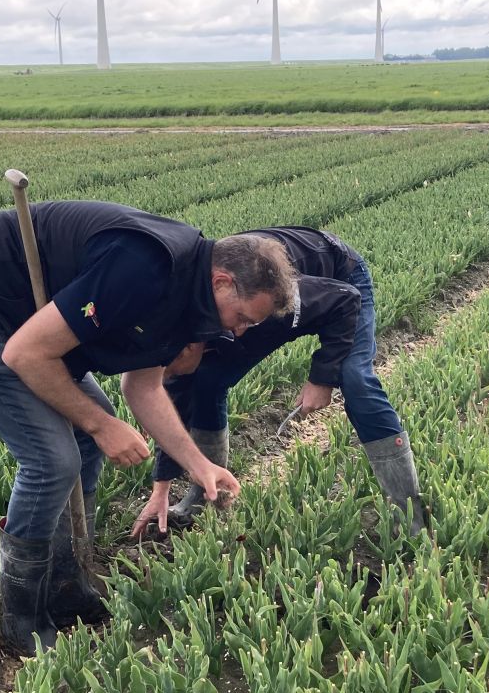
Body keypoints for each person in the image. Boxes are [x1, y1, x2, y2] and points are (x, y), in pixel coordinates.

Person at [0, 201, 296, 654]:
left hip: (19, 315)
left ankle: (65, 586)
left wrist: (199, 465)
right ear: (222, 282)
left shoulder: (187, 297)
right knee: (51, 458)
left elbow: (145, 388)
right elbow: (25, 354)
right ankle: (24, 619)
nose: (243, 331)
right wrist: (101, 424)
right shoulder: (145, 269)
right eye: (245, 317)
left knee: (84, 442)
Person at [130, 226, 426, 539]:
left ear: (189, 346)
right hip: (258, 310)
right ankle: (205, 500)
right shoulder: (196, 326)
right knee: (206, 379)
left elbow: (345, 300)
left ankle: (412, 519)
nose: (171, 375)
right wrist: (160, 489)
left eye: (171, 370)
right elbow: (176, 399)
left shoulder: (247, 299)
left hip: (339, 281)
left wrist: (321, 378)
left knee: (355, 380)